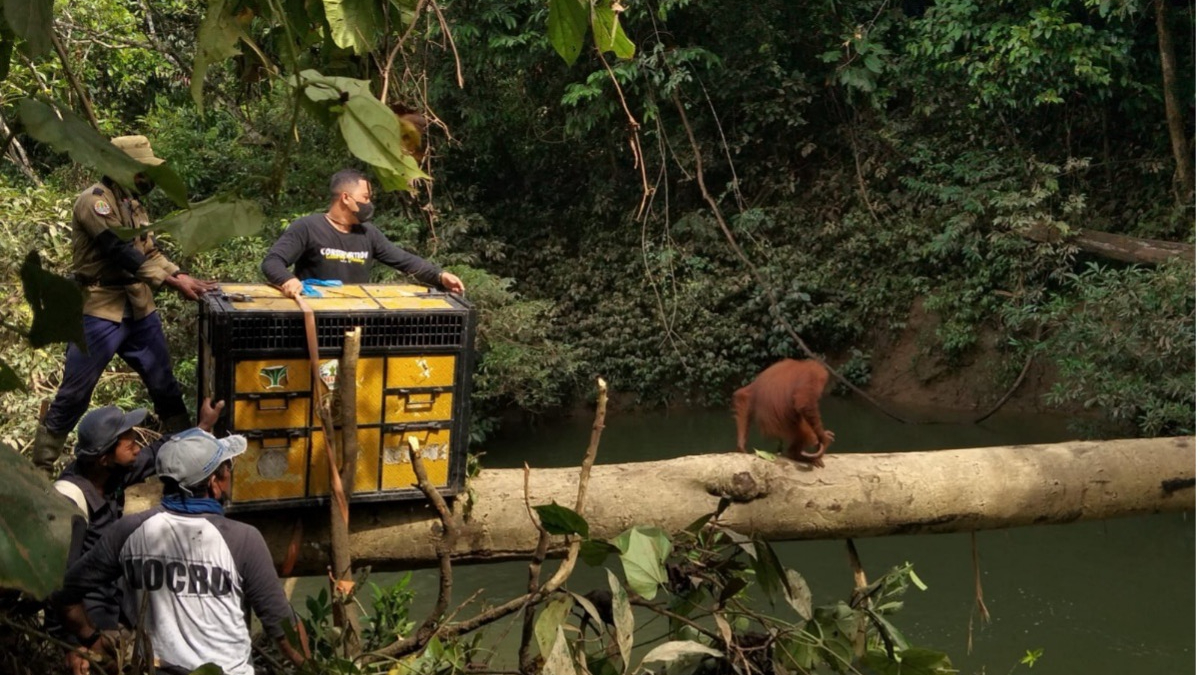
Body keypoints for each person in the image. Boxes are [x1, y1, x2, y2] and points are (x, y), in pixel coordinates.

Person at [31, 135, 218, 474]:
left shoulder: (134, 205)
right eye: (141, 170)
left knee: (164, 385)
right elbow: (119, 251)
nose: (148, 178)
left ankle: (189, 462)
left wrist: (181, 274)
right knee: (75, 393)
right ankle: (41, 470)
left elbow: (150, 252)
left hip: (139, 306)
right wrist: (173, 283)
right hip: (100, 308)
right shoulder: (94, 202)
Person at [54, 428, 308, 675]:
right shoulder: (243, 539)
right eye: (227, 468)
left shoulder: (128, 531)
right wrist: (313, 667)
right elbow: (284, 629)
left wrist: (91, 638)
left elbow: (64, 592)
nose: (230, 474)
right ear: (214, 483)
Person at [47, 398, 225, 674]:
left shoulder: (110, 473)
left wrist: (202, 426)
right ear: (104, 458)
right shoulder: (70, 502)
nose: (137, 448)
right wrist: (76, 643)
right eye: (129, 445)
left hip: (114, 612)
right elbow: (56, 583)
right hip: (88, 625)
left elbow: (155, 452)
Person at [260, 168, 465, 298]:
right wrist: (287, 280)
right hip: (315, 317)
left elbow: (404, 260)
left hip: (356, 317)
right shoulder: (307, 227)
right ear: (346, 198)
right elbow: (272, 261)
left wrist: (440, 276)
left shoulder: (368, 233)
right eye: (365, 197)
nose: (369, 203)